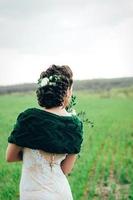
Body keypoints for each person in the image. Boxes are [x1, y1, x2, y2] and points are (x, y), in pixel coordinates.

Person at [6, 64, 84, 200]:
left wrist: (30, 155)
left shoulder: (29, 118)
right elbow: (65, 170)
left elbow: (10, 157)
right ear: (66, 92)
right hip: (62, 193)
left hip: (32, 193)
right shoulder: (76, 125)